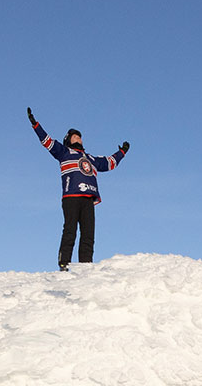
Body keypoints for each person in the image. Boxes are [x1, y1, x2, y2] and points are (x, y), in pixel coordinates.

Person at [27, 107, 129, 271]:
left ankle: (85, 266)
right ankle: (64, 263)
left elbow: (109, 162)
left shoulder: (90, 158)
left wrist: (122, 152)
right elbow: (48, 142)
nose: (78, 138)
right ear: (68, 139)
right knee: (70, 230)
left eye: (80, 137)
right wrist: (36, 125)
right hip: (71, 196)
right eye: (75, 136)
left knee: (88, 234)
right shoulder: (64, 152)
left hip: (89, 198)